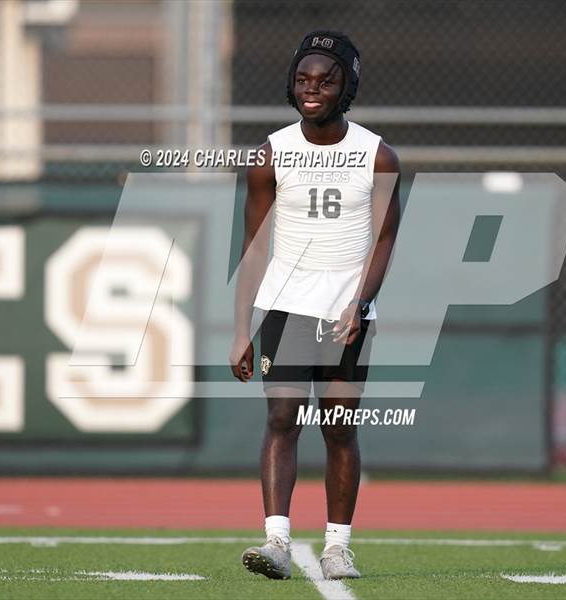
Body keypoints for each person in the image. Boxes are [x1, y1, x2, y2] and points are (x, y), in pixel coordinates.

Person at [229, 30, 400, 581]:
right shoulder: (270, 153)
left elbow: (385, 239)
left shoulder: (377, 154)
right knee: (281, 418)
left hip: (348, 311)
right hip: (286, 306)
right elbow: (253, 247)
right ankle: (276, 541)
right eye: (304, 79)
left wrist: (361, 301)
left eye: (326, 80)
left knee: (340, 428)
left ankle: (337, 548)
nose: (313, 89)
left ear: (346, 85)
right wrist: (241, 329)